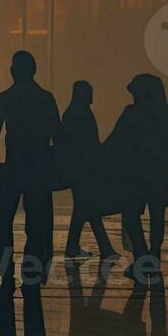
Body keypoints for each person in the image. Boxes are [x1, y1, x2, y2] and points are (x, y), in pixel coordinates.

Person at [0, 51, 61, 288]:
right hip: (38, 168)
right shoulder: (45, 98)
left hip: (13, 166)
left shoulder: (6, 97)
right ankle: (34, 265)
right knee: (38, 221)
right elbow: (57, 135)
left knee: (3, 219)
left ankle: (5, 268)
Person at [104, 74, 168, 284]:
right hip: (159, 175)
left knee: (131, 215)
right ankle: (153, 256)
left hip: (134, 175)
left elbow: (114, 142)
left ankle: (141, 257)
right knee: (157, 216)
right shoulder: (166, 115)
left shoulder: (132, 114)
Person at [58, 81, 118, 261]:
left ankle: (74, 245)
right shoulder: (81, 115)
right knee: (89, 208)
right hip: (82, 168)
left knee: (83, 208)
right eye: (90, 94)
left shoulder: (72, 113)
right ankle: (104, 247)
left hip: (78, 167)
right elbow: (87, 143)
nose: (92, 99)